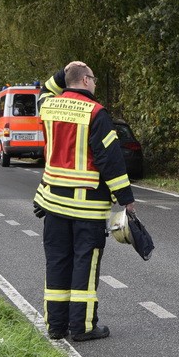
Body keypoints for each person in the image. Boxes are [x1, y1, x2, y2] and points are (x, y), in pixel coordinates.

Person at [33, 61, 136, 341]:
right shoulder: (96, 113)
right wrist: (125, 199)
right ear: (87, 80)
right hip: (87, 208)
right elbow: (110, 160)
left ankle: (55, 326)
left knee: (56, 263)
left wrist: (63, 72)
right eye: (93, 79)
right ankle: (82, 327)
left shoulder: (49, 106)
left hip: (53, 205)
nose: (95, 84)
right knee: (84, 266)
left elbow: (44, 89)